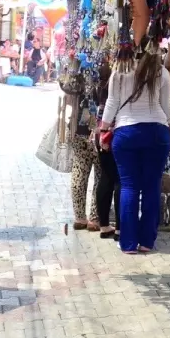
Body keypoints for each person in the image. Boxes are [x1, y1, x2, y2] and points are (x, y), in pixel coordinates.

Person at [100, 46, 170, 254]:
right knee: (152, 187)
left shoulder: (121, 71)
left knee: (129, 187)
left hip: (126, 133)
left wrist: (103, 129)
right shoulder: (161, 72)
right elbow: (166, 106)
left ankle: (129, 243)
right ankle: (147, 242)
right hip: (157, 132)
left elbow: (112, 102)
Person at [69, 59, 106, 232]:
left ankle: (80, 217)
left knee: (80, 172)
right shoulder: (107, 68)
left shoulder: (78, 68)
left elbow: (68, 95)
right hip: (100, 131)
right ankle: (94, 218)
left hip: (81, 129)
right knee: (99, 175)